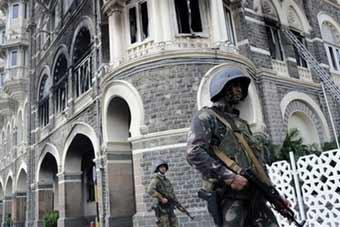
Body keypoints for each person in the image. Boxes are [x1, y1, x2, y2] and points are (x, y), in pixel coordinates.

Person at [186, 67, 281, 227]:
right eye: (234, 85)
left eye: (240, 86)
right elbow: (194, 153)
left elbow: (256, 161)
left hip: (255, 195)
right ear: (221, 88)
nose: (239, 89)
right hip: (230, 197)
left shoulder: (241, 124)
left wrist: (273, 192)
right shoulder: (207, 117)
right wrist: (229, 177)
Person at [147, 160, 179, 227]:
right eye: (161, 167)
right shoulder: (156, 179)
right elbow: (150, 190)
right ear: (158, 169)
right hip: (161, 208)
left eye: (164, 167)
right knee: (164, 224)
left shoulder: (166, 180)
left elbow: (171, 192)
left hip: (169, 206)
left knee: (174, 223)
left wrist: (176, 202)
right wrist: (161, 198)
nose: (163, 168)